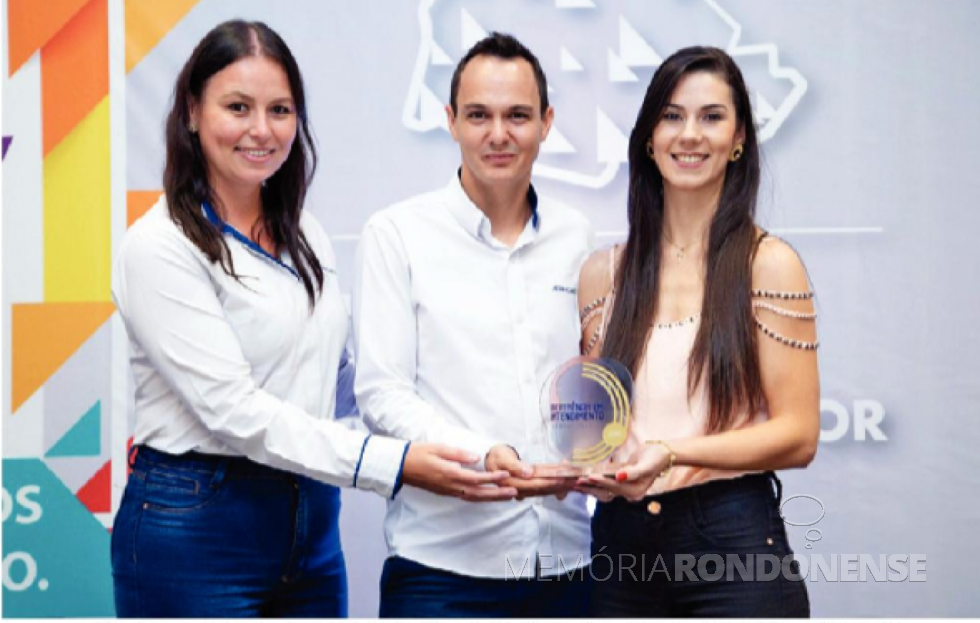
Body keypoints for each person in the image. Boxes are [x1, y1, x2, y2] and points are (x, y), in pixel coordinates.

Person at [109, 20, 511, 618]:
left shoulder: (304, 234)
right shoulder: (160, 247)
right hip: (199, 528)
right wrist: (395, 465)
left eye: (280, 109)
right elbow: (235, 411)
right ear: (192, 112)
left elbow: (341, 384)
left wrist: (469, 442)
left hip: (311, 524)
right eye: (238, 107)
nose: (261, 130)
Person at [352, 32, 594, 618]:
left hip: (569, 563)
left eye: (517, 115)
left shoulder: (577, 236)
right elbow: (381, 394)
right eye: (479, 115)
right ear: (451, 121)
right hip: (443, 572)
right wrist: (484, 453)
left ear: (547, 123)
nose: (498, 134)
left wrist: (593, 454)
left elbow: (587, 382)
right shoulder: (397, 234)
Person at [576, 46, 818, 617]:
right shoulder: (601, 275)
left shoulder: (769, 264)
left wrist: (672, 453)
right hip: (620, 554)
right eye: (671, 115)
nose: (690, 134)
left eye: (711, 116)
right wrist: (591, 469)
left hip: (732, 548)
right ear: (647, 138)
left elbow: (799, 435)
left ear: (738, 140)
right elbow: (598, 431)